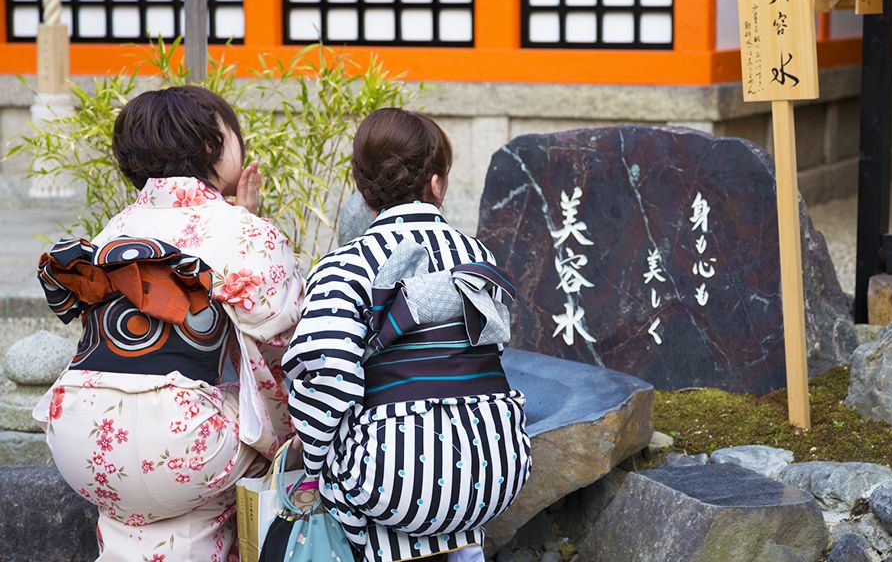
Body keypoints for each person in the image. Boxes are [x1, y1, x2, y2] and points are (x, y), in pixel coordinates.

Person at [32, 86, 304, 561]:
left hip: (78, 433)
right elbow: (284, 337)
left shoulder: (114, 229)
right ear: (210, 147)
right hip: (183, 439)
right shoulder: (246, 233)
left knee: (135, 517)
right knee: (261, 437)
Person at [282, 108, 532, 562]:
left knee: (343, 442)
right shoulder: (476, 255)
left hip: (388, 481)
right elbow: (492, 347)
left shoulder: (344, 266)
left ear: (363, 190)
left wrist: (313, 465)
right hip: (493, 468)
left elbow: (330, 379)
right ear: (436, 184)